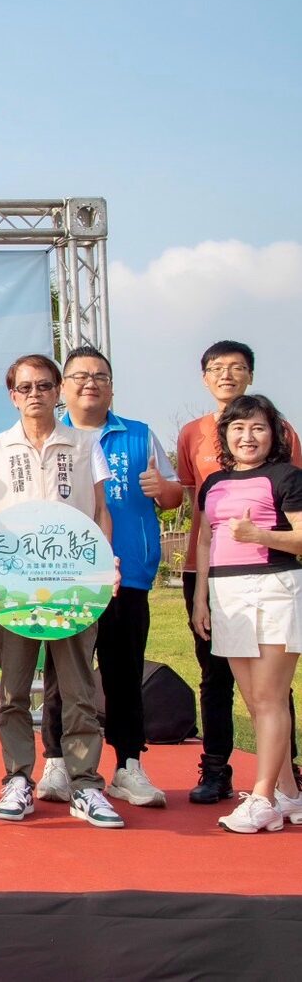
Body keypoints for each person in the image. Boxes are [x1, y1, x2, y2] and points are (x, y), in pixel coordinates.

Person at [0, 354, 125, 828]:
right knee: (13, 690)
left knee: (79, 690)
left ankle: (85, 785)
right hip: (14, 590)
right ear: (12, 396)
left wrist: (104, 564)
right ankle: (17, 778)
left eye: (43, 385)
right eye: (25, 387)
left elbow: (101, 511)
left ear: (58, 391)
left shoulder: (85, 443)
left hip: (73, 585)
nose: (34, 394)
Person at [34, 346, 185, 810]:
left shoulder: (139, 435)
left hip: (129, 575)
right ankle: (56, 762)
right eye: (80, 376)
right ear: (64, 389)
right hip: (67, 577)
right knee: (61, 676)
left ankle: (128, 766)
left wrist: (165, 490)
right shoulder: (50, 440)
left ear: (112, 387)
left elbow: (174, 496)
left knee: (124, 674)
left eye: (100, 375)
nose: (90, 383)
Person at [176, 340, 301, 803]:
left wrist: (258, 536)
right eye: (216, 368)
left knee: (273, 692)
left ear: (250, 374)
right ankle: (217, 769)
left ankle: (279, 785)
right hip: (214, 579)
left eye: (236, 367)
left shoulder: (282, 442)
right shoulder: (194, 436)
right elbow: (198, 518)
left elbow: (291, 507)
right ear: (204, 377)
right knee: (221, 681)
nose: (226, 375)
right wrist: (201, 594)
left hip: (271, 578)